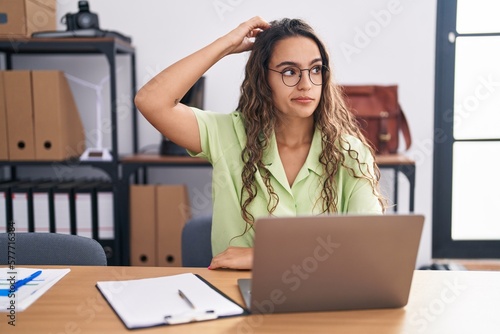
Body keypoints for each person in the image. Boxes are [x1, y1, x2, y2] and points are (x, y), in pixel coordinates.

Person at [135, 16, 387, 270]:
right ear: (263, 79)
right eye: (289, 71)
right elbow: (151, 101)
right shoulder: (228, 134)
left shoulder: (350, 152)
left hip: (325, 292)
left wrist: (263, 257)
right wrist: (226, 45)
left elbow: (369, 246)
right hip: (237, 292)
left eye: (315, 70)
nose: (306, 84)